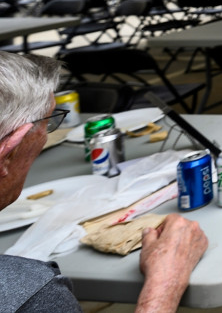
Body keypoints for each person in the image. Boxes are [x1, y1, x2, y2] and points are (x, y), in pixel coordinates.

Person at [0, 51, 208, 312]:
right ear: (9, 149)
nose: (44, 137)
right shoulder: (31, 294)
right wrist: (164, 284)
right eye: (48, 122)